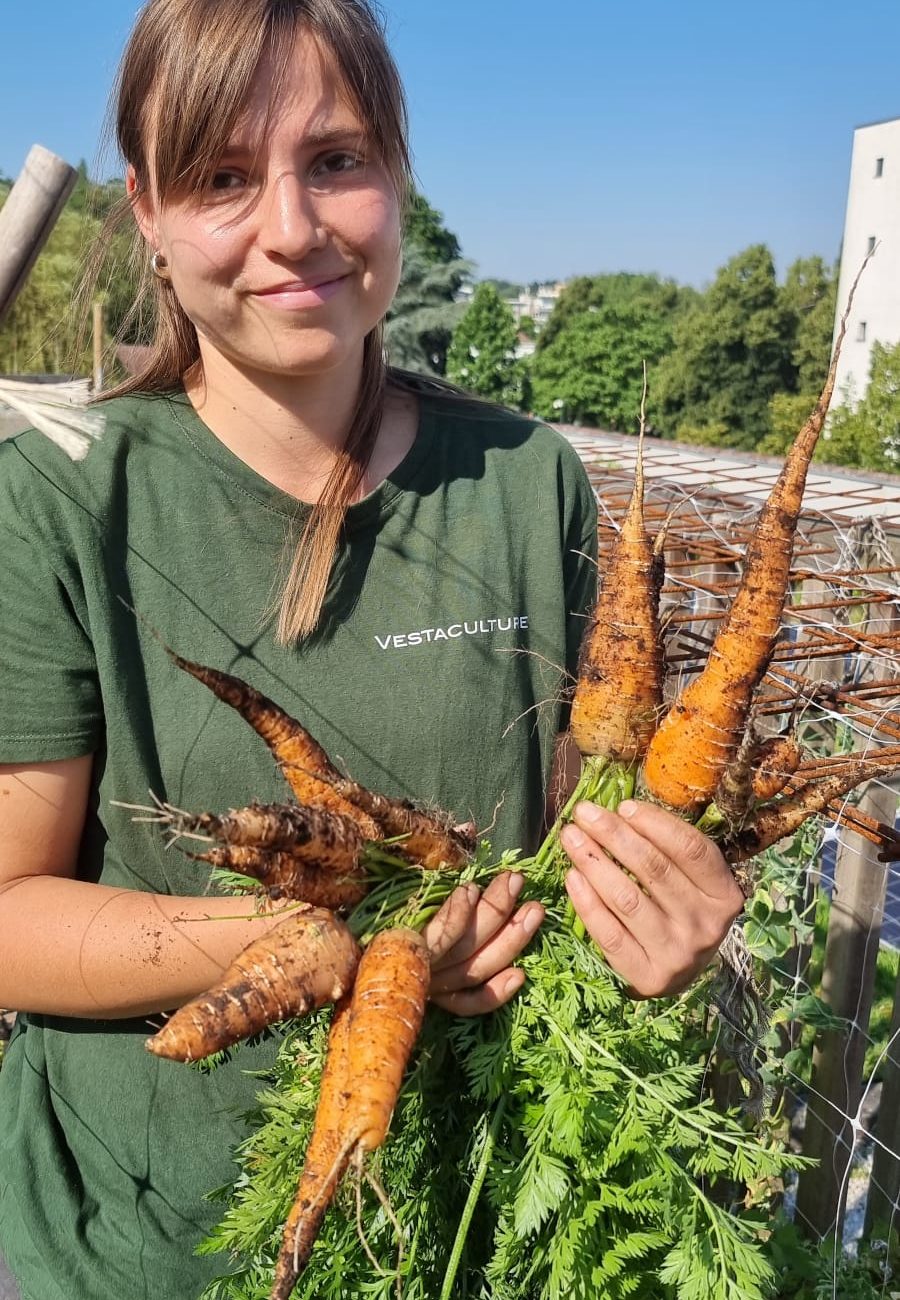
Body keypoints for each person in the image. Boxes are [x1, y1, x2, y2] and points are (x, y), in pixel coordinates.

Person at [0, 2, 743, 1297]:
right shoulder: (59, 499)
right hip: (139, 1246)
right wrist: (314, 946)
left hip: (467, 1225)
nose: (292, 226)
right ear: (151, 220)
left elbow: (573, 837)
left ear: (397, 174)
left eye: (335, 160)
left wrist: (656, 924)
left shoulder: (527, 482)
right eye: (225, 177)